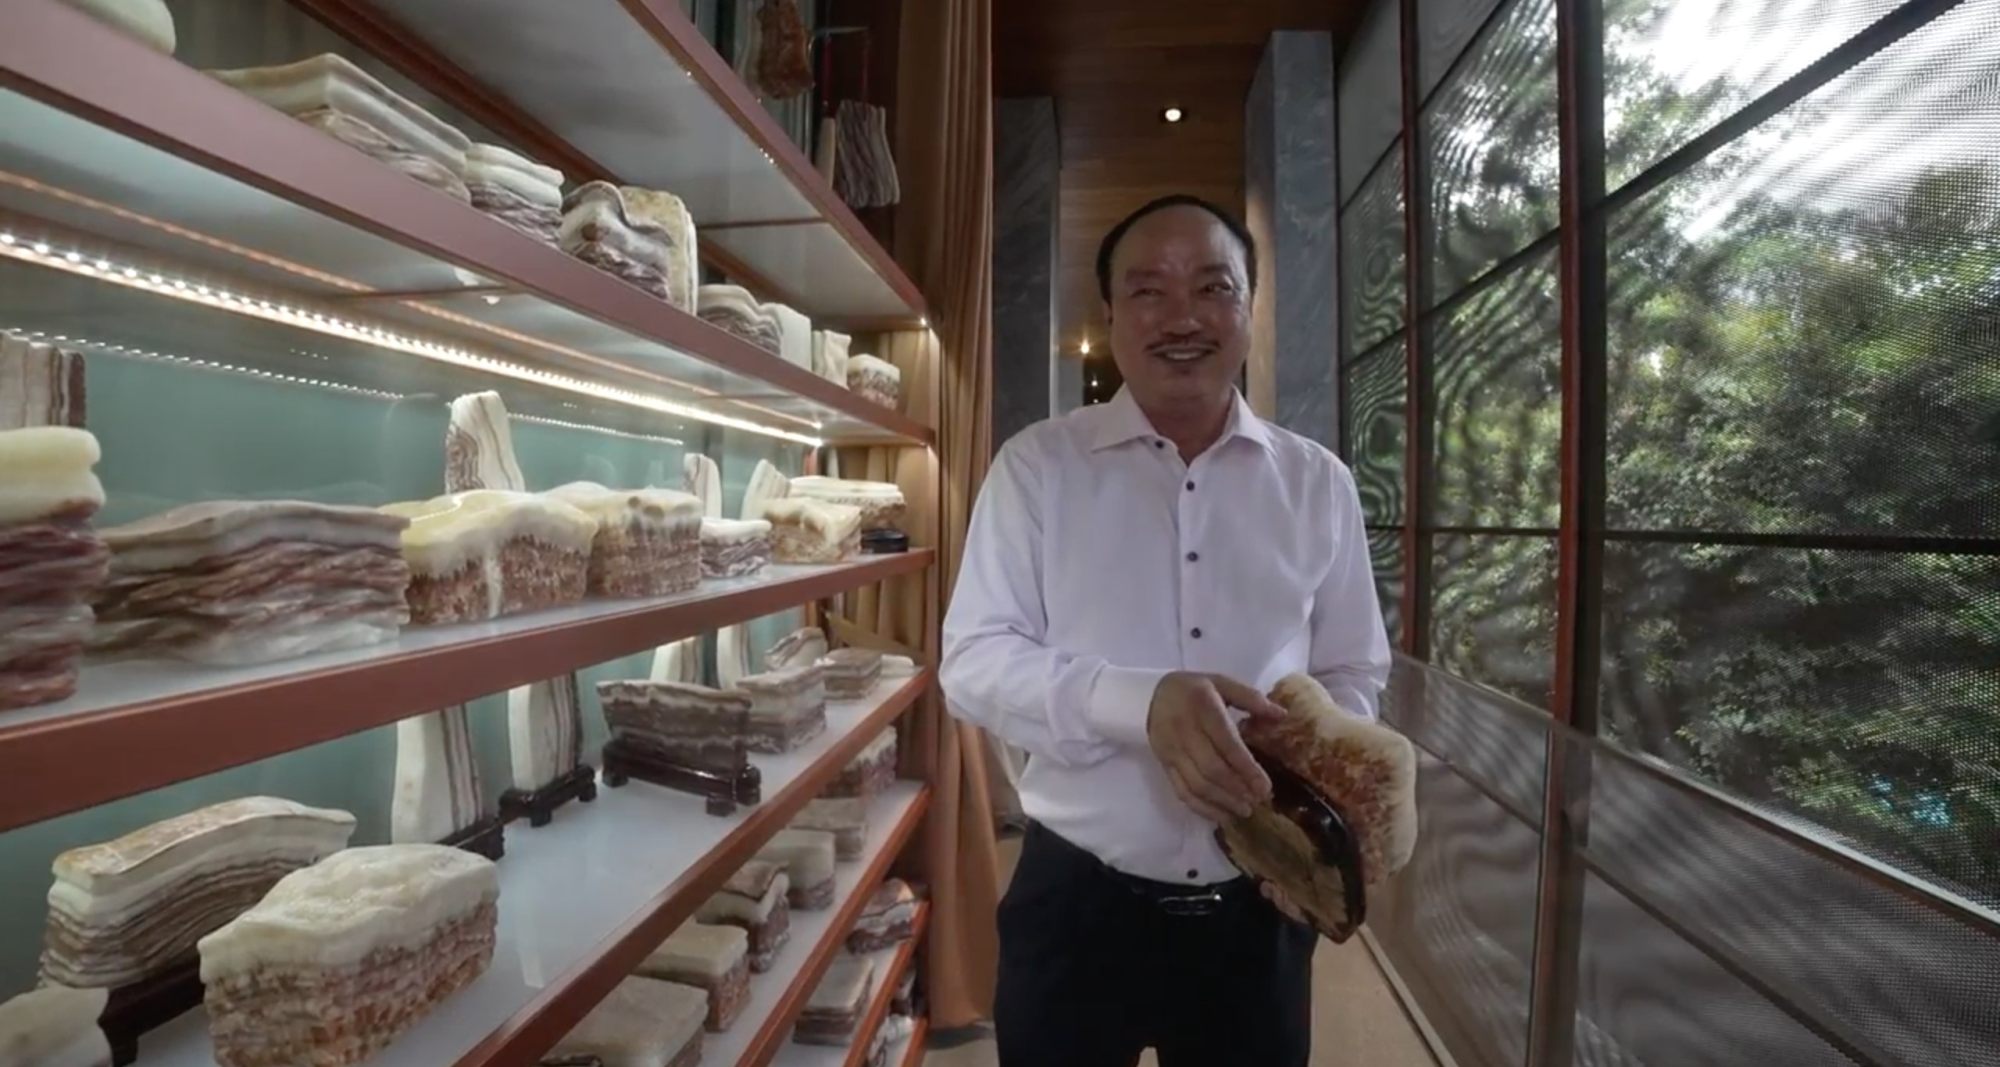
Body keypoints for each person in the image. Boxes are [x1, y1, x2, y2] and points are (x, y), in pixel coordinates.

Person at [940, 195, 1392, 1066]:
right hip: (1074, 901)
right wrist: (1137, 703)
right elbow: (973, 661)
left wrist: (1314, 792)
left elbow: (1351, 670)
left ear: (1247, 310)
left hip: (1258, 909)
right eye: (1148, 290)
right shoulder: (1037, 467)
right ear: (1109, 316)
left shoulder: (1317, 484)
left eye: (1213, 287)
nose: (1182, 316)